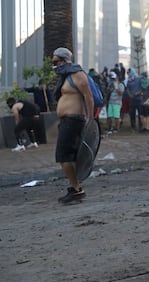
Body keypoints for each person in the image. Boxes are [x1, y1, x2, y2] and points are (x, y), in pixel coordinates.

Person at [52, 47, 94, 203]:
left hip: (73, 120)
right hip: (67, 121)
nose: (54, 65)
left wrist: (90, 118)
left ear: (64, 60)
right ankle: (75, 187)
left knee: (63, 156)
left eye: (56, 62)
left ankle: (76, 189)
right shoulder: (66, 76)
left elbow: (88, 96)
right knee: (68, 156)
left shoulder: (77, 75)